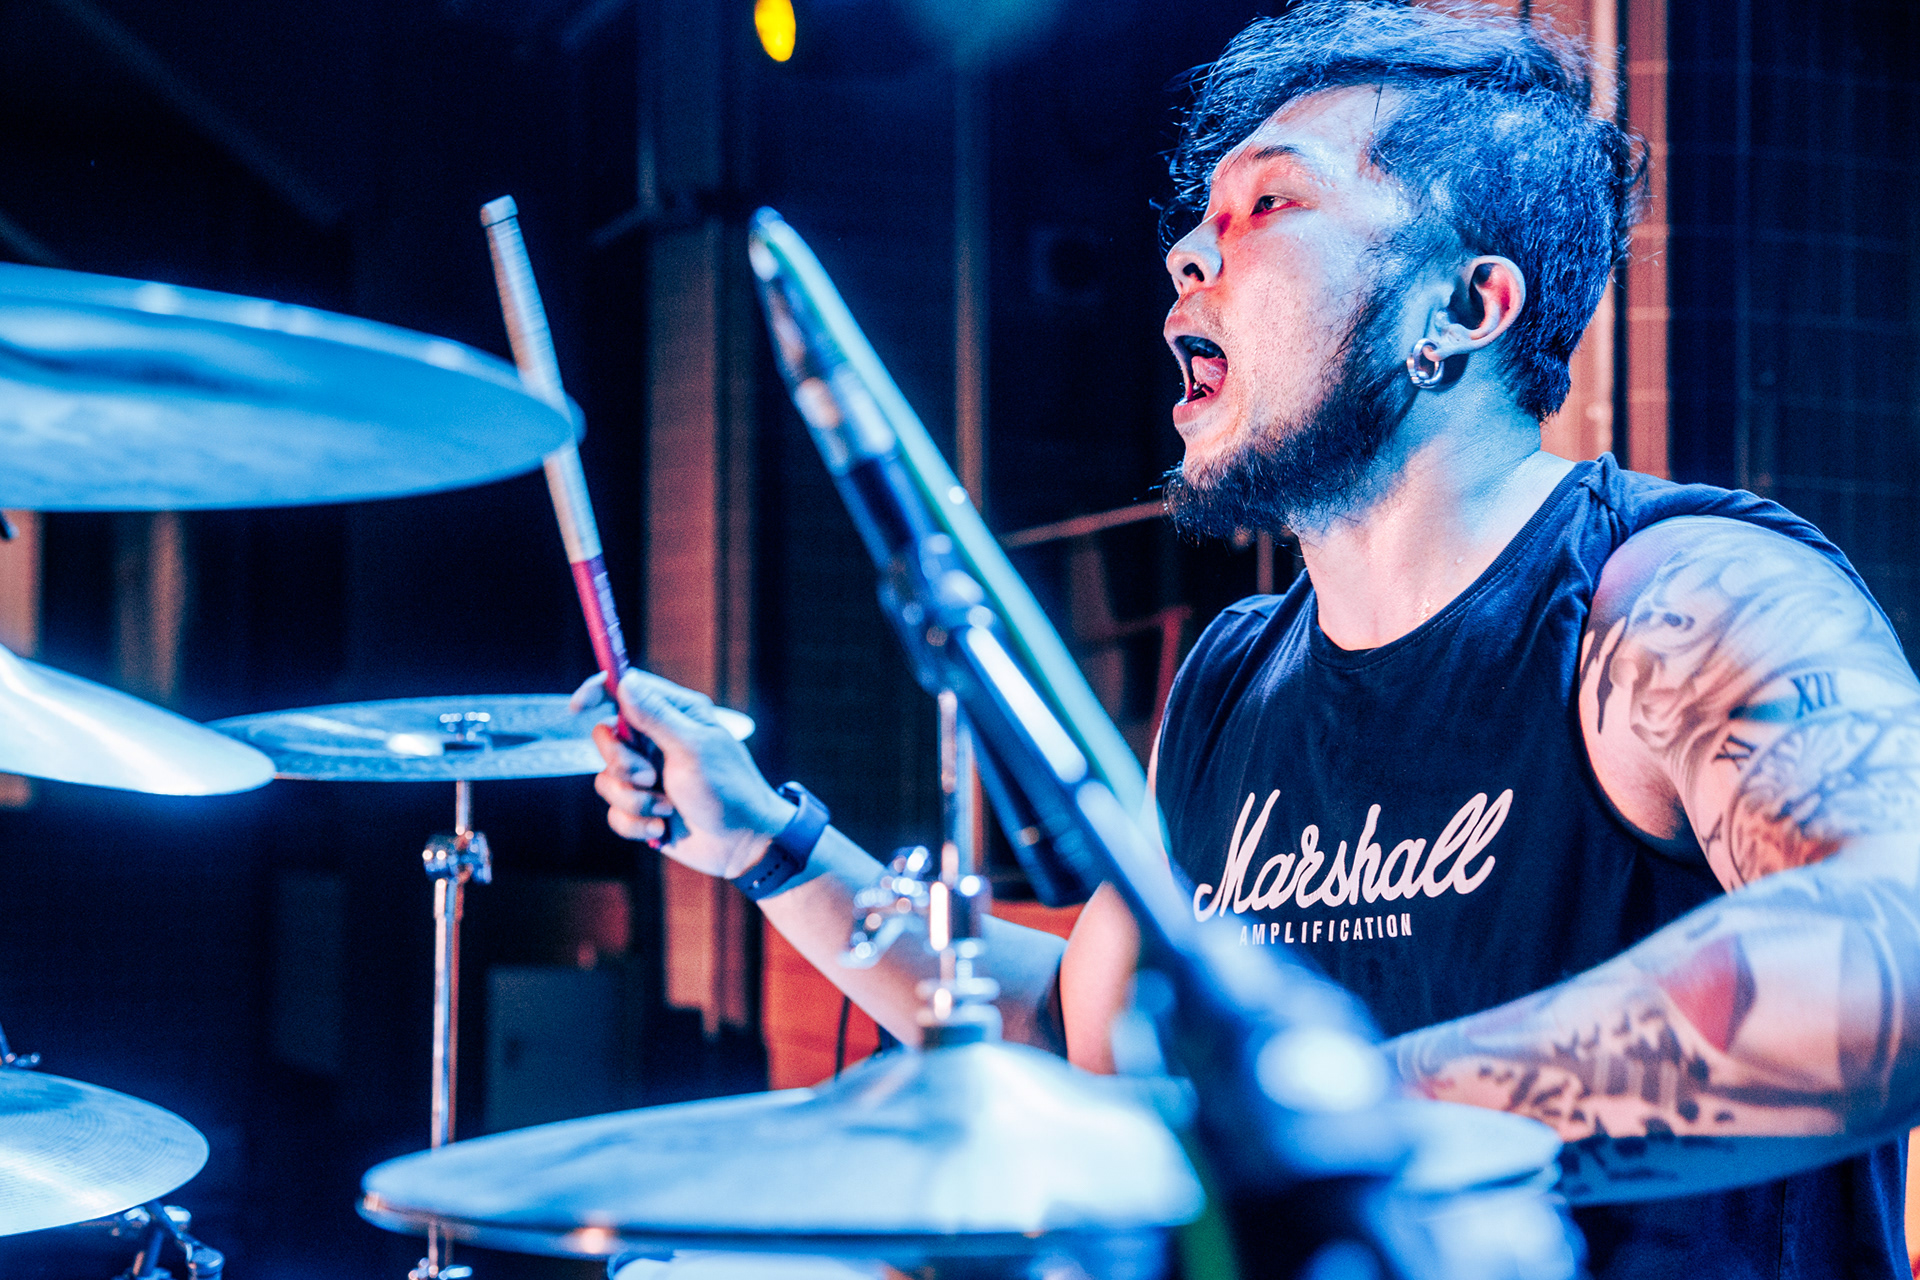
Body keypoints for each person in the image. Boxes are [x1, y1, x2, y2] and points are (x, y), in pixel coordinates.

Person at [579, 1, 1920, 1274]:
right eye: (1201, 217)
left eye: (1270, 202)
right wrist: (770, 844)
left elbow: (1897, 947)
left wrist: (1333, 1117)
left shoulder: (1673, 597)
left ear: (1463, 309)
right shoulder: (1235, 678)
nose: (1189, 251)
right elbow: (1078, 1025)